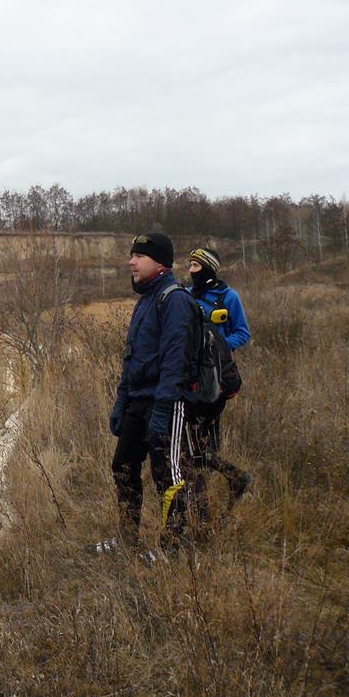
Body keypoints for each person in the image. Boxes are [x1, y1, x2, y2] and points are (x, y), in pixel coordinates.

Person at [92, 232, 201, 560]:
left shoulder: (175, 300)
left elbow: (175, 361)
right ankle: (126, 539)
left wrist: (163, 410)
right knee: (123, 466)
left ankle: (172, 549)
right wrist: (121, 402)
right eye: (132, 255)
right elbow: (132, 358)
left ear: (160, 262)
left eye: (139, 256)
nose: (131, 262)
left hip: (166, 401)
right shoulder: (146, 301)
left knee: (168, 475)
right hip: (138, 401)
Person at [187, 247, 254, 507]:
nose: (190, 270)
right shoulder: (186, 295)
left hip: (218, 377)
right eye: (190, 265)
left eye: (195, 265)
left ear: (208, 268)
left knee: (201, 444)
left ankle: (222, 488)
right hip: (192, 376)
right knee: (196, 445)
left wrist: (217, 347)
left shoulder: (228, 296)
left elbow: (243, 333)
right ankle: (222, 486)